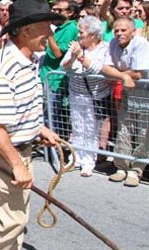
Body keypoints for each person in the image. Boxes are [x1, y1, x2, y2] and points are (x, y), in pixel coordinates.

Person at [0, 0, 63, 250]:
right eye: (45, 28)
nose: (50, 34)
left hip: (16, 148)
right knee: (11, 221)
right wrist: (17, 164)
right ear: (26, 31)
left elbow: (14, 110)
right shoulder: (4, 67)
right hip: (1, 151)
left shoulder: (27, 61)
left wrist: (39, 128)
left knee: (17, 218)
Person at [101, 17, 149, 187]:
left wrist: (120, 73)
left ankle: (136, 169)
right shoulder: (112, 43)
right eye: (116, 30)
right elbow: (105, 68)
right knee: (124, 128)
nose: (119, 33)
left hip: (145, 93)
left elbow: (139, 73)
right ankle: (121, 166)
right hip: (128, 90)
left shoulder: (141, 44)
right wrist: (123, 76)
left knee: (143, 132)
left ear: (133, 31)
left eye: (124, 30)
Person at [60, 15, 110, 177]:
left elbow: (98, 69)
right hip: (76, 93)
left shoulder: (105, 48)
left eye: (82, 33)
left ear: (93, 35)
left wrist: (81, 57)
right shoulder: (76, 47)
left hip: (94, 96)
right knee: (77, 126)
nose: (79, 36)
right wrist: (74, 56)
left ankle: (89, 160)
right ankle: (76, 158)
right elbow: (64, 66)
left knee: (91, 128)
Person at [40, 0, 79, 139]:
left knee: (52, 117)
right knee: (46, 115)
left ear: (70, 13)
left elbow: (57, 53)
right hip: (46, 76)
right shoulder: (58, 27)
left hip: (55, 79)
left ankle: (54, 150)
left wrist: (49, 33)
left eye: (59, 10)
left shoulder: (71, 28)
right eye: (54, 10)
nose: (55, 13)